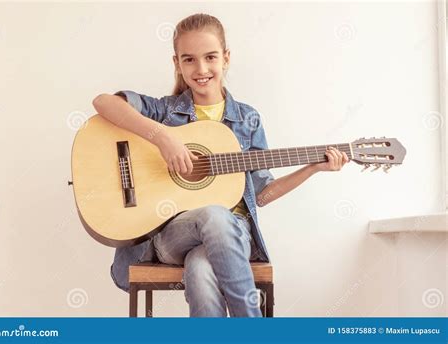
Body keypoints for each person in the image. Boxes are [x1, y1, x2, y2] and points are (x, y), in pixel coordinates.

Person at [92, 13, 349, 317]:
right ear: (177, 63)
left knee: (200, 270)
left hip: (232, 236)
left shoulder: (247, 118)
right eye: (189, 60)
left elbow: (262, 195)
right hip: (172, 233)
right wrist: (163, 138)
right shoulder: (165, 111)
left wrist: (313, 167)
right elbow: (103, 102)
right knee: (214, 213)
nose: (201, 69)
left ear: (226, 59)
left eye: (210, 57)